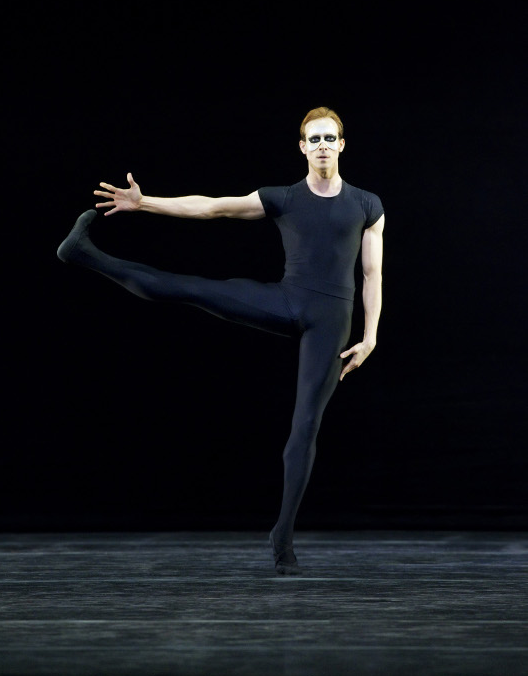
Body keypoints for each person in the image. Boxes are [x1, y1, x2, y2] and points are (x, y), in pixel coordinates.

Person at [57, 106, 385, 575]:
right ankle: (85, 254)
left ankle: (283, 538)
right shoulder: (284, 197)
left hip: (332, 323)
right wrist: (144, 202)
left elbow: (372, 275)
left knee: (305, 427)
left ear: (342, 144)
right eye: (313, 139)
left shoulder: (368, 204)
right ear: (301, 146)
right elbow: (212, 206)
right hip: (286, 301)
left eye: (329, 138)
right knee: (190, 287)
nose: (322, 146)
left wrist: (371, 336)